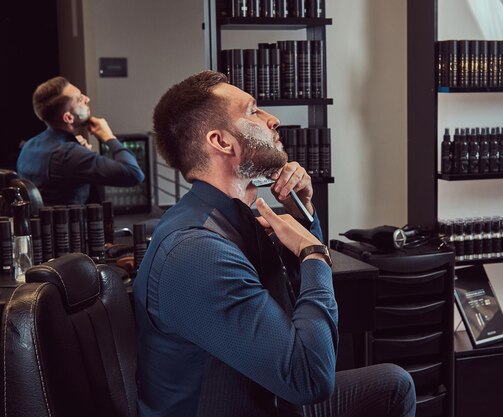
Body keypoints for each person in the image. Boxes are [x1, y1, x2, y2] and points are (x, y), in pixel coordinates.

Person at [132, 70, 416, 417]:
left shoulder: (232, 219)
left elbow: (293, 298)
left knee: (392, 385)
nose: (273, 119)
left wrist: (304, 212)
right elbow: (310, 379)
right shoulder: (196, 250)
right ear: (222, 142)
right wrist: (314, 254)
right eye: (253, 112)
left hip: (266, 395)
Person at [16, 76, 145, 205]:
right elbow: (134, 174)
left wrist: (79, 151)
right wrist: (109, 137)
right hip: (71, 224)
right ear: (68, 118)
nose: (87, 99)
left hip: (42, 223)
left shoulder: (28, 146)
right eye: (79, 99)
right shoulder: (67, 154)